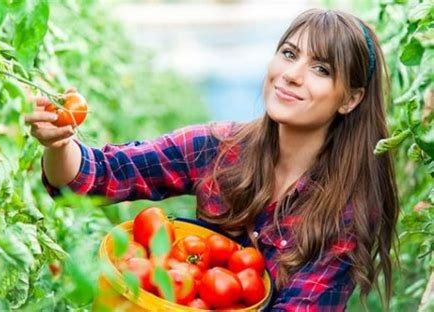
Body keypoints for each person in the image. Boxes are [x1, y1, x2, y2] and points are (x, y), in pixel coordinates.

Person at [25, 8, 400, 311]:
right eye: (289, 54)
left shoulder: (346, 210)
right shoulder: (219, 147)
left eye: (321, 69)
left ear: (350, 99)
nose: (292, 75)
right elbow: (99, 176)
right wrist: (60, 143)